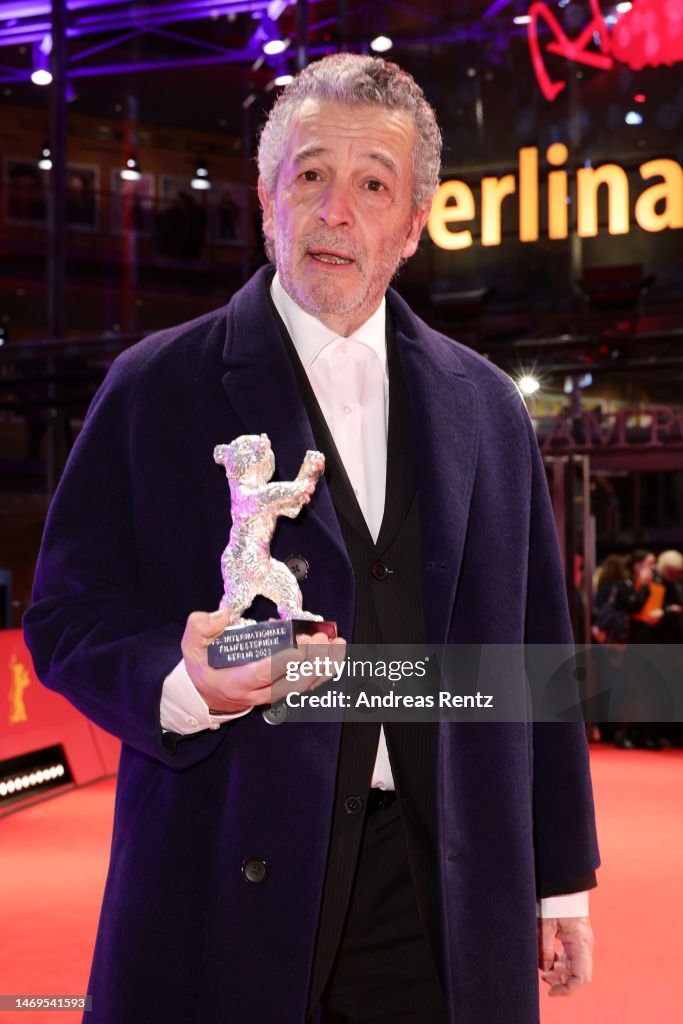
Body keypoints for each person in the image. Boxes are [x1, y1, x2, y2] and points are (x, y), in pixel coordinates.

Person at [23, 54, 599, 1024]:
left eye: (372, 183)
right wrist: (179, 681)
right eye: (308, 175)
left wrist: (556, 878)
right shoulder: (154, 387)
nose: (335, 209)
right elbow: (66, 617)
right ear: (264, 196)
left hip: (443, 889)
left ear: (413, 224)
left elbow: (535, 654)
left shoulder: (486, 406)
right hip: (221, 871)